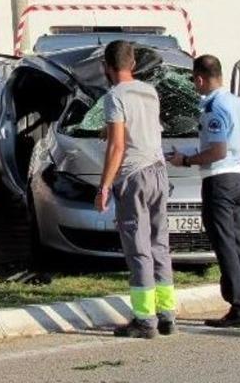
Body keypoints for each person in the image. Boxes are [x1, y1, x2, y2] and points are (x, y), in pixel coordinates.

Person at [168, 54, 240, 328]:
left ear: (199, 78)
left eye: (195, 82)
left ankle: (239, 306)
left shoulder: (212, 108)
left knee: (224, 244)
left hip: (219, 180)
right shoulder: (237, 103)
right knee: (237, 242)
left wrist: (186, 160)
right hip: (238, 176)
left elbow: (217, 150)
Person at [94, 41, 176, 339]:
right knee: (159, 245)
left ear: (107, 66)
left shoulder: (114, 96)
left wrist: (104, 186)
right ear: (133, 65)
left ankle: (144, 320)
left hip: (133, 177)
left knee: (138, 249)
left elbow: (117, 147)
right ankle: (166, 314)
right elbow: (142, 128)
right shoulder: (149, 92)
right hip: (158, 171)